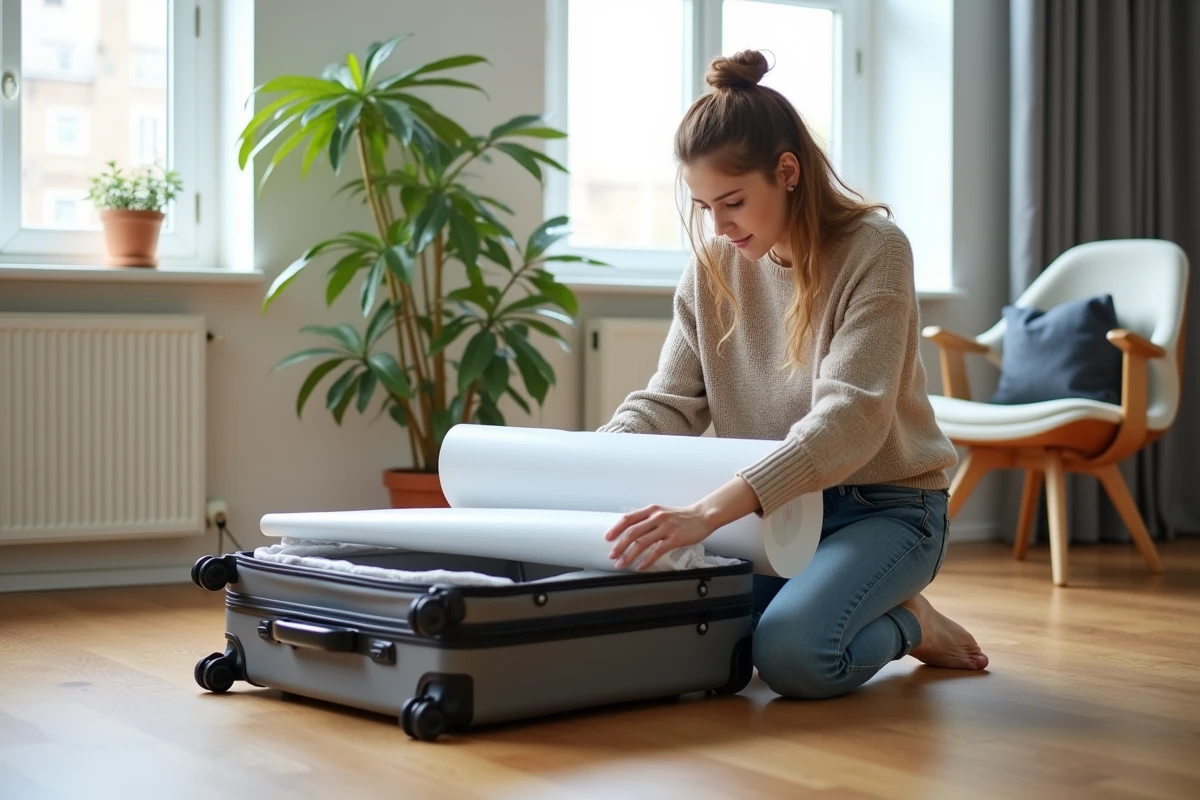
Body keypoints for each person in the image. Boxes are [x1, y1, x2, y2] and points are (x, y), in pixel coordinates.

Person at [598, 50, 988, 701]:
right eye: (702, 206)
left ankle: (908, 623)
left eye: (732, 202)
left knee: (793, 656)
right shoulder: (714, 266)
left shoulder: (875, 250)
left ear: (787, 172)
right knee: (704, 638)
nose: (718, 226)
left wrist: (706, 512)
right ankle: (863, 605)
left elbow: (850, 420)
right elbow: (668, 402)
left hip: (886, 509)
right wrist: (584, 461)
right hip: (776, 515)